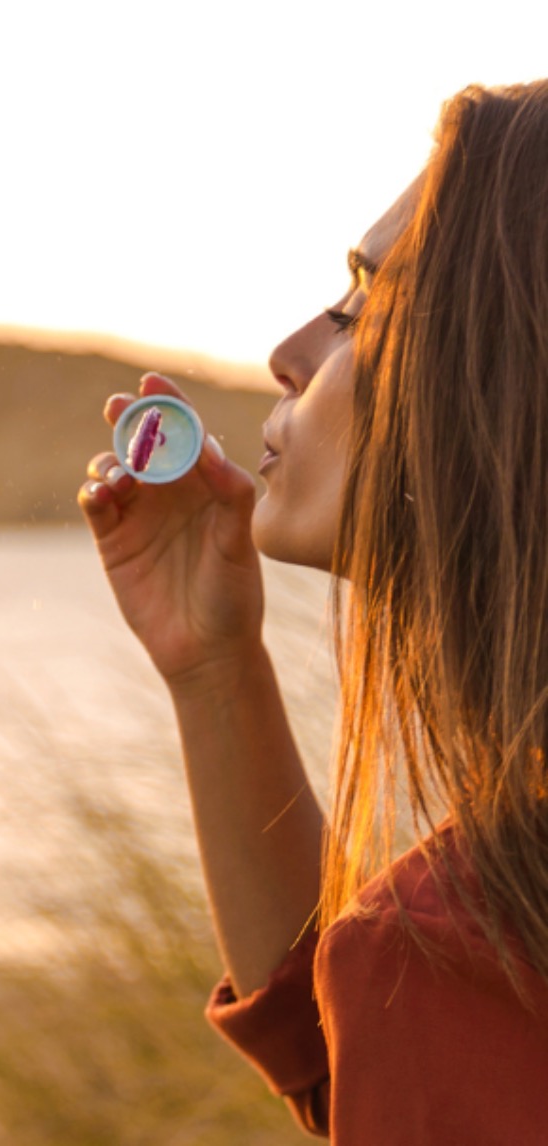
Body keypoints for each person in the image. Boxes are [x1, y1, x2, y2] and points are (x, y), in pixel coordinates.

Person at [78, 80, 548, 1142]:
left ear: (510, 370)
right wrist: (213, 672)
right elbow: (390, 1065)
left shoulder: (453, 943)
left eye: (362, 306)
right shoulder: (446, 956)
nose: (289, 351)